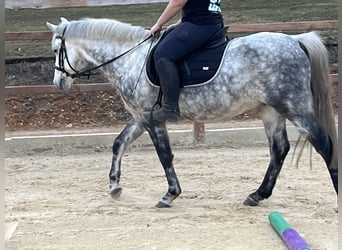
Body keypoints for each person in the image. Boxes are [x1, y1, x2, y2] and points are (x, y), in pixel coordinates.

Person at [145, 0, 224, 122]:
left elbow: (177, 2)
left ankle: (171, 108)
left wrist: (158, 24)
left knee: (162, 55)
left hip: (200, 24)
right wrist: (180, 22)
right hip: (212, 21)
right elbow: (201, 5)